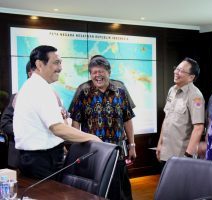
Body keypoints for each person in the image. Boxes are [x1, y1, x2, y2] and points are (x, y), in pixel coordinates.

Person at [13, 45, 101, 179]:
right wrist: (93, 138)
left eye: (60, 63)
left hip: (35, 159)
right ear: (39, 64)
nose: (60, 68)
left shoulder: (33, 86)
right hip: (42, 161)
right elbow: (58, 129)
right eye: (56, 63)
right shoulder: (39, 89)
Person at [68, 55, 136, 200]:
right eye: (94, 72)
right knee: (95, 190)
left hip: (117, 150)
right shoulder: (83, 91)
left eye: (101, 71)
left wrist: (132, 145)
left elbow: (127, 119)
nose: (97, 75)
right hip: (93, 151)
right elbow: (75, 121)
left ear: (109, 72)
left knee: (120, 190)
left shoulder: (120, 89)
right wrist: (76, 148)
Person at [156, 57, 205, 166]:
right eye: (177, 69)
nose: (176, 72)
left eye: (181, 71)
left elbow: (198, 128)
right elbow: (167, 119)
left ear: (191, 77)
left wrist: (187, 156)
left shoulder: (196, 96)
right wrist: (160, 144)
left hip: (181, 156)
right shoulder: (172, 90)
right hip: (166, 153)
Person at [0, 61, 33, 168]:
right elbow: (5, 123)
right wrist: (24, 132)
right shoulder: (18, 97)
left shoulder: (50, 97)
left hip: (43, 158)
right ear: (30, 74)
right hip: (19, 156)